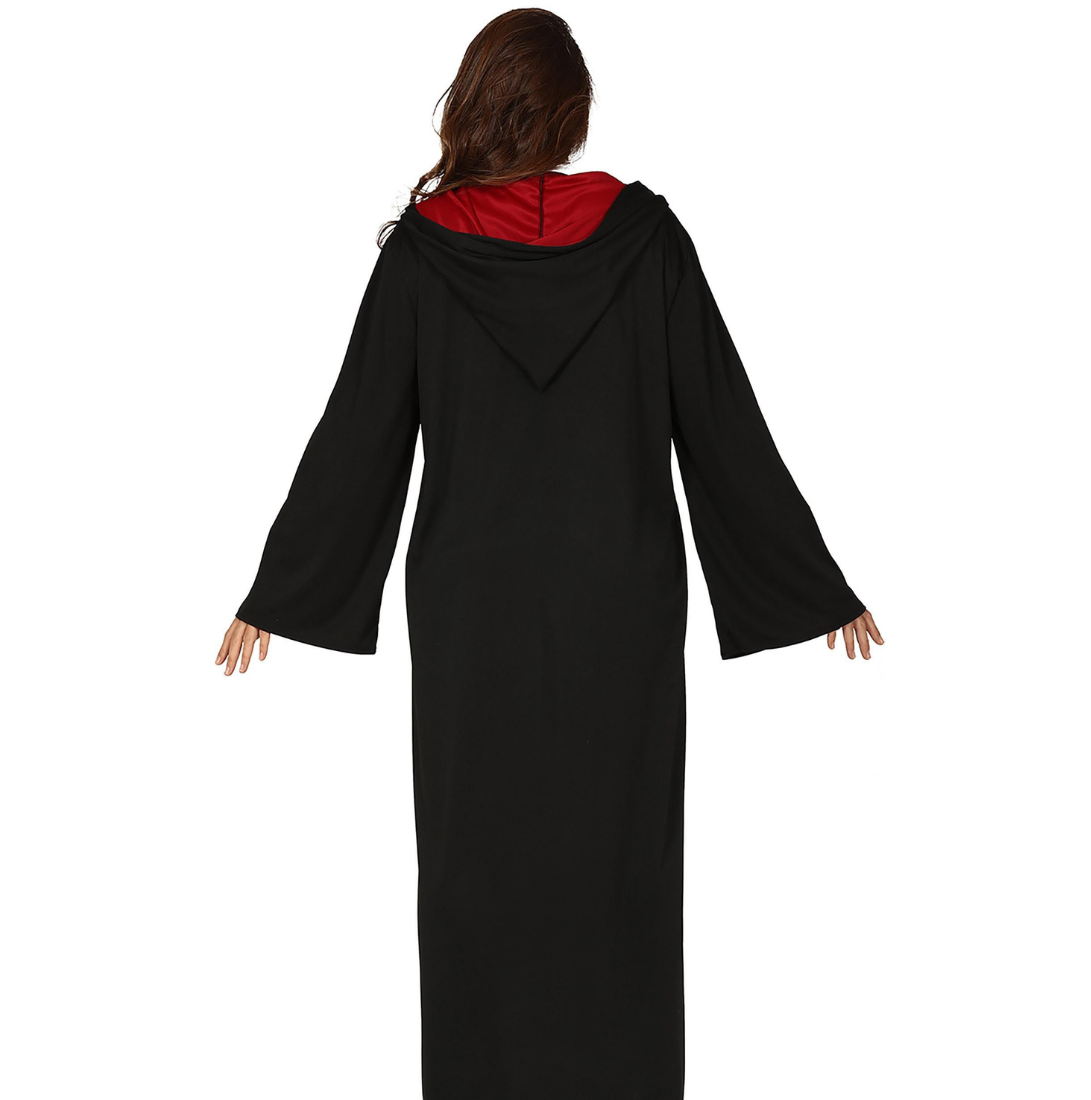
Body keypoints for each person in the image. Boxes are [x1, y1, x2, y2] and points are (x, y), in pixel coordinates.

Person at [216, 8, 884, 1099]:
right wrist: (809, 582)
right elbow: (720, 420)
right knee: (617, 871)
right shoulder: (644, 240)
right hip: (619, 610)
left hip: (472, 618)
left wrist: (281, 589)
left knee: (477, 872)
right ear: (569, 113)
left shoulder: (426, 255)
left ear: (478, 102)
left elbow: (358, 434)